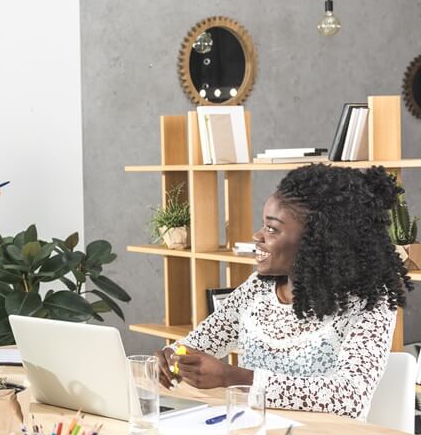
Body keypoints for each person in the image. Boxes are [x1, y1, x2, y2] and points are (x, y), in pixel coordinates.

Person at [156, 164, 411, 419]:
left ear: (318, 241)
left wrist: (232, 377)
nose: (258, 236)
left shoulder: (370, 303)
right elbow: (197, 345)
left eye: (272, 229)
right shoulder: (257, 289)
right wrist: (174, 358)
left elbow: (349, 396)